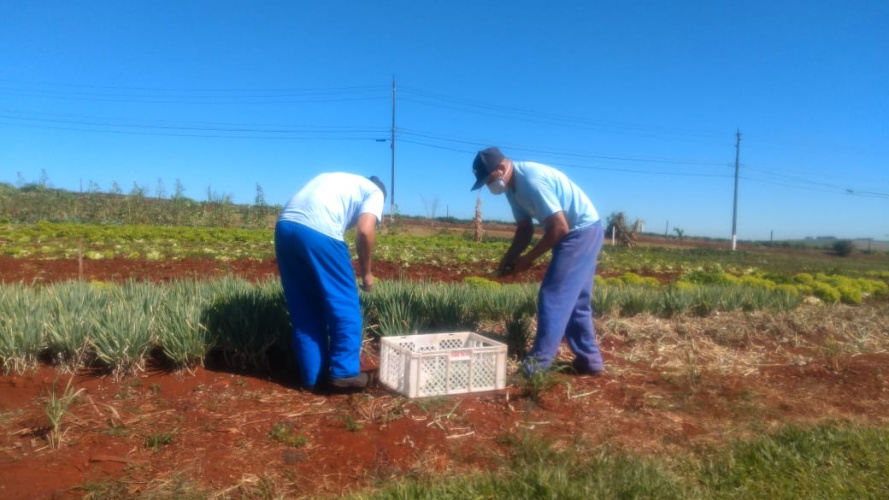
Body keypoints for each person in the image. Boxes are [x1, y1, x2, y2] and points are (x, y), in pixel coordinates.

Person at [470, 147, 605, 376]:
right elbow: (525, 230)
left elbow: (560, 227)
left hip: (580, 232)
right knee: (576, 302)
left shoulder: (530, 181)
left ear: (501, 168)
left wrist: (528, 260)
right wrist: (509, 258)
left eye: (488, 178)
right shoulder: (511, 190)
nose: (488, 185)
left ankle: (534, 369)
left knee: (553, 296)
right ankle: (590, 361)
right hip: (579, 231)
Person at [275, 172, 386, 391]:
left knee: (304, 308)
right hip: (319, 229)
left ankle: (312, 378)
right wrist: (367, 273)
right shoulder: (375, 192)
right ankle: (344, 373)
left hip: (284, 228)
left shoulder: (340, 181)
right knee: (344, 303)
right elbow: (365, 230)